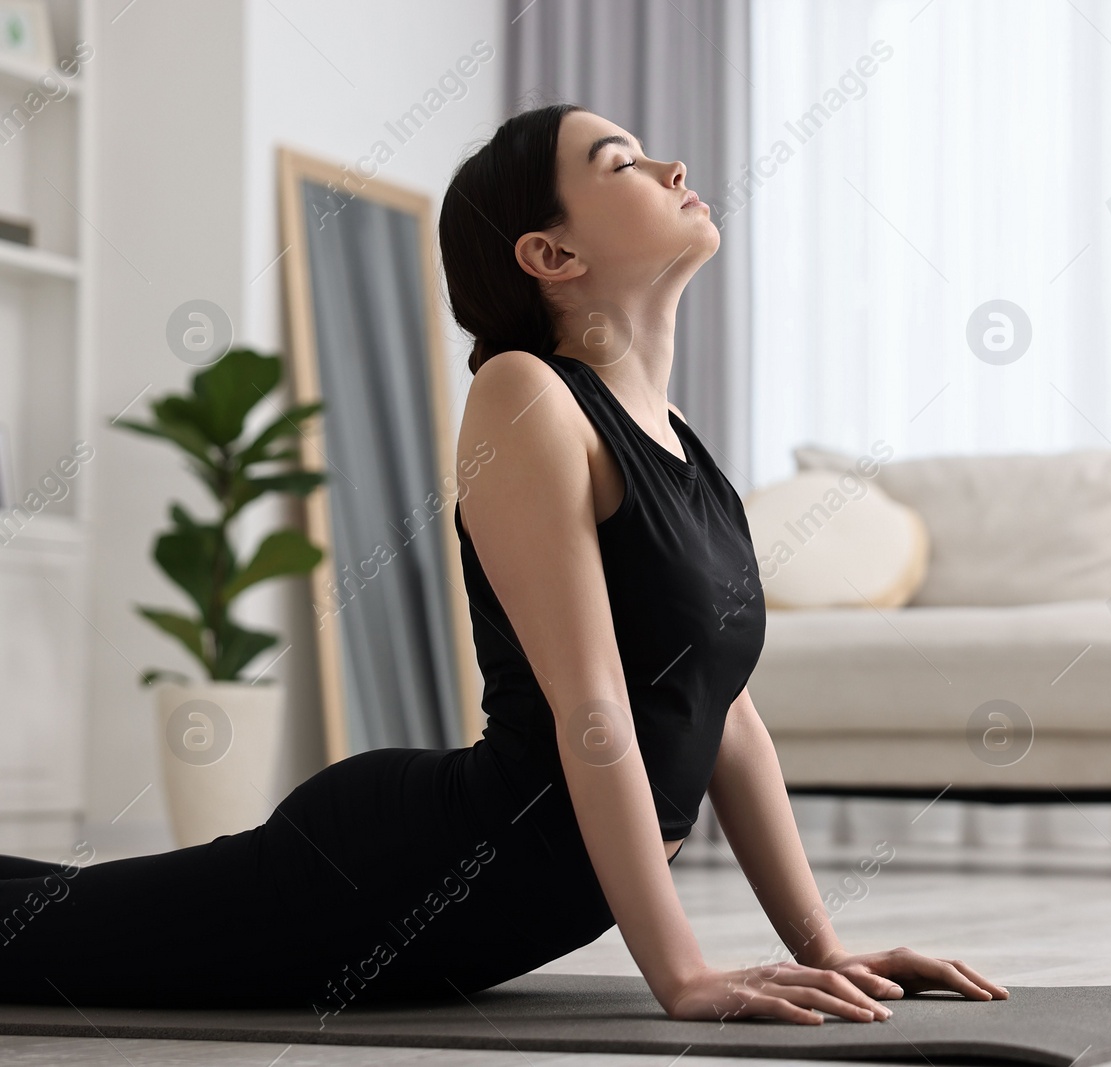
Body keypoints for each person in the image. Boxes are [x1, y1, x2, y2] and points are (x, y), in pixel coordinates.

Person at [0, 102, 1009, 1026]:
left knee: (56, 914)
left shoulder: (682, 439)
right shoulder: (527, 394)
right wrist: (684, 975)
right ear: (550, 251)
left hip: (495, 908)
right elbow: (592, 706)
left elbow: (728, 717)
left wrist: (826, 949)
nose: (672, 164)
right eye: (621, 161)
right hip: (396, 868)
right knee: (40, 940)